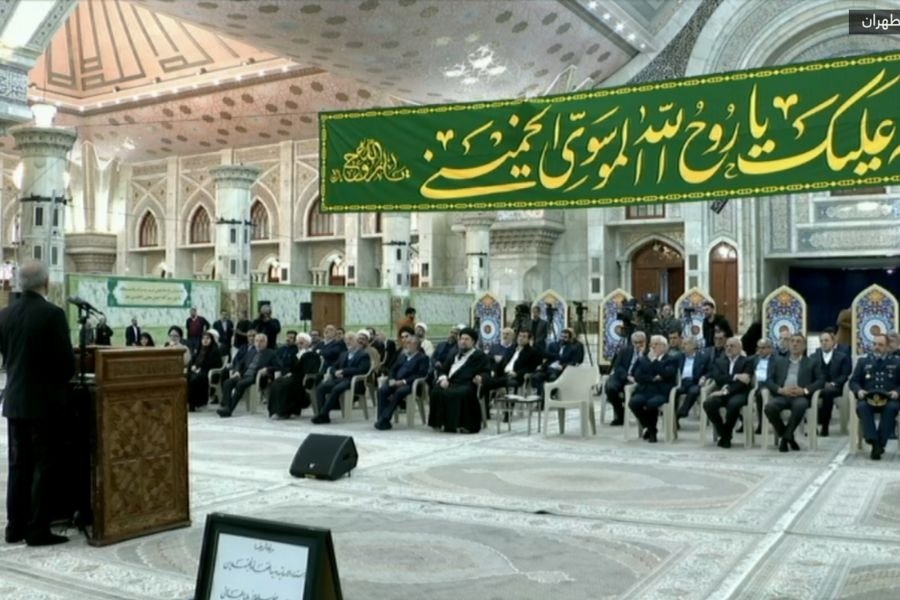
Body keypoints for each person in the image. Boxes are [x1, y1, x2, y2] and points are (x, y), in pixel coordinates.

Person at [0, 261, 75, 546]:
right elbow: (66, 365)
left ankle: (14, 526)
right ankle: (37, 529)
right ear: (46, 283)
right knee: (44, 466)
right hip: (44, 405)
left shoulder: (5, 314)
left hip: (15, 401)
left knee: (18, 465)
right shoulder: (52, 314)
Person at [763, 333, 824, 452]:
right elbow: (769, 380)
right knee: (769, 407)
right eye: (792, 341)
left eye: (798, 341)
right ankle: (788, 436)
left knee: (800, 405)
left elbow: (820, 381)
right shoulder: (779, 362)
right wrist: (781, 390)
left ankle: (785, 439)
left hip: (800, 396)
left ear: (804, 346)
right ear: (789, 344)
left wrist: (804, 390)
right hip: (783, 395)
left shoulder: (812, 362)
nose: (795, 344)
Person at [428, 327, 490, 434]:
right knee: (436, 391)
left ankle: (462, 425)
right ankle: (439, 423)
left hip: (467, 384)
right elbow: (443, 370)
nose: (463, 342)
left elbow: (486, 371)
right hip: (450, 382)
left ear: (473, 342)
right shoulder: (453, 354)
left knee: (460, 393)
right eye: (461, 339)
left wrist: (480, 377)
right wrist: (443, 379)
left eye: (466, 339)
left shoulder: (480, 356)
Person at [850, 333, 900, 460]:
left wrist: (897, 392)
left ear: (887, 346)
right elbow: (853, 381)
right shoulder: (863, 361)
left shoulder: (896, 362)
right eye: (875, 344)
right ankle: (874, 442)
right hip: (868, 398)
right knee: (862, 407)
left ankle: (878, 444)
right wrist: (859, 390)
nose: (877, 347)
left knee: (891, 408)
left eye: (880, 345)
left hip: (889, 398)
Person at [703, 336, 754, 448]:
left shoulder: (747, 361)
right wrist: (736, 376)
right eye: (727, 346)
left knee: (733, 404)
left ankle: (725, 435)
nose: (728, 348)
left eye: (732, 346)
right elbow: (718, 378)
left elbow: (744, 382)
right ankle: (724, 432)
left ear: (740, 348)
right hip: (721, 391)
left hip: (739, 392)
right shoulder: (719, 361)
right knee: (708, 403)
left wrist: (727, 390)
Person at [312, 331, 372, 424]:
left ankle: (322, 414)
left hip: (354, 381)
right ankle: (324, 416)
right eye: (346, 340)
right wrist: (335, 372)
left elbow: (361, 370)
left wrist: (344, 371)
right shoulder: (343, 354)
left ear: (357, 341)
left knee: (336, 389)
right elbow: (333, 367)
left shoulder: (363, 355)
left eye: (351, 339)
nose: (348, 342)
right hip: (340, 379)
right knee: (321, 387)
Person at [628, 335, 679, 443]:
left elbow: (667, 373)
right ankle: (650, 428)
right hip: (645, 390)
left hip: (661, 391)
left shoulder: (671, 359)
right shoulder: (645, 359)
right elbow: (637, 375)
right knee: (633, 402)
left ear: (664, 346)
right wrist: (652, 378)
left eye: (656, 344)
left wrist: (655, 361)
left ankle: (651, 432)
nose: (653, 347)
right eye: (651, 344)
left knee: (651, 404)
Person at [375, 336, 430, 430]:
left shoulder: (423, 358)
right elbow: (393, 369)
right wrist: (392, 379)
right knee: (382, 390)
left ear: (415, 345)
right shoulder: (403, 356)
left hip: (410, 384)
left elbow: (421, 374)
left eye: (408, 343)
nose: (406, 345)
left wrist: (403, 381)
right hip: (395, 381)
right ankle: (383, 420)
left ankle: (383, 419)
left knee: (399, 392)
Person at [218, 333, 278, 417]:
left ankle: (229, 410)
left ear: (266, 343)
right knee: (227, 382)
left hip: (257, 377)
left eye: (261, 341)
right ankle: (226, 407)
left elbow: (278, 366)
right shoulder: (251, 352)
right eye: (257, 341)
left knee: (240, 384)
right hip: (244, 375)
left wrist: (267, 369)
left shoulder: (271, 353)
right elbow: (240, 363)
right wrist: (237, 371)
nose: (259, 343)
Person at [267, 333, 321, 420]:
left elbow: (311, 369)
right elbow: (291, 367)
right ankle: (275, 411)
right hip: (294, 376)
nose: (299, 345)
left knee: (285, 385)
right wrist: (289, 373)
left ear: (308, 343)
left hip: (304, 378)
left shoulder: (311, 354)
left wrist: (305, 375)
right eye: (298, 343)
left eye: (301, 343)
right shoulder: (296, 354)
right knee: (277, 382)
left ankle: (284, 412)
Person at [811, 328, 851, 437]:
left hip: (836, 387)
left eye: (826, 340)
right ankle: (813, 426)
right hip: (818, 386)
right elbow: (811, 375)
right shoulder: (813, 357)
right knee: (807, 392)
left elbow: (845, 375)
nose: (824, 343)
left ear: (833, 342)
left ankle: (825, 426)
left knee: (828, 393)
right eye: (821, 341)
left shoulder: (842, 357)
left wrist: (833, 383)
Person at [605, 331, 647, 425]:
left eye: (640, 342)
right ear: (632, 342)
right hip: (621, 376)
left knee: (629, 391)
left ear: (645, 341)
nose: (638, 345)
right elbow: (617, 366)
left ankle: (625, 415)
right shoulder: (625, 350)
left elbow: (646, 369)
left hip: (635, 379)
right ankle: (621, 414)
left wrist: (641, 356)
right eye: (635, 342)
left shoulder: (648, 354)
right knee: (610, 388)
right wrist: (627, 376)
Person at [674, 336, 710, 425]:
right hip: (681, 383)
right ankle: (673, 417)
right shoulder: (679, 357)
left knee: (693, 391)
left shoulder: (703, 357)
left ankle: (682, 412)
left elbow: (710, 371)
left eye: (685, 344)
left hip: (695, 382)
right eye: (682, 344)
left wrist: (704, 377)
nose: (682, 346)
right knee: (674, 392)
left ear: (693, 346)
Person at [187, 331, 223, 411]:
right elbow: (193, 360)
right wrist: (192, 366)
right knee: (185, 377)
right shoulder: (200, 348)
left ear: (211, 340)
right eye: (203, 338)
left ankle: (193, 404)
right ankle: (186, 402)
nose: (205, 340)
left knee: (195, 380)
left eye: (207, 338)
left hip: (208, 372)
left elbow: (217, 364)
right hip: (197, 371)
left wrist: (199, 367)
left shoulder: (214, 350)